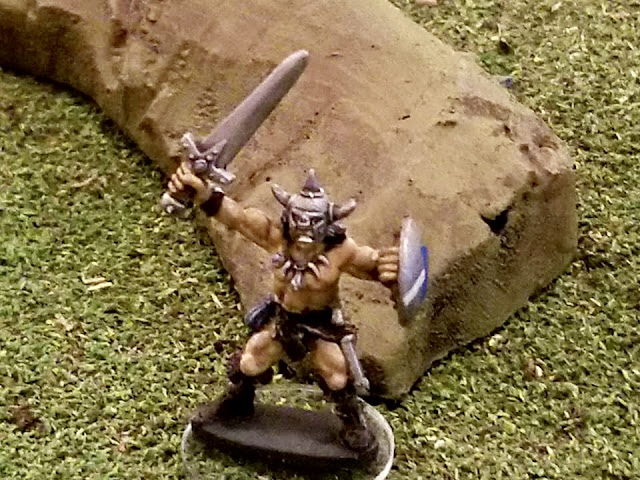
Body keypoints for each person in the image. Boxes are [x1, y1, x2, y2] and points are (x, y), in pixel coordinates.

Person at [168, 166, 399, 453]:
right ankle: (237, 402)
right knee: (251, 360)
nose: (304, 230)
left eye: (312, 222)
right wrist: (204, 194)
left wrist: (390, 266)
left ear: (327, 224)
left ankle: (353, 423)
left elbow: (372, 264)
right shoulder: (276, 238)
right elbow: (238, 217)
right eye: (298, 220)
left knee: (336, 374)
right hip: (283, 319)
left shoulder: (341, 251)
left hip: (320, 324)